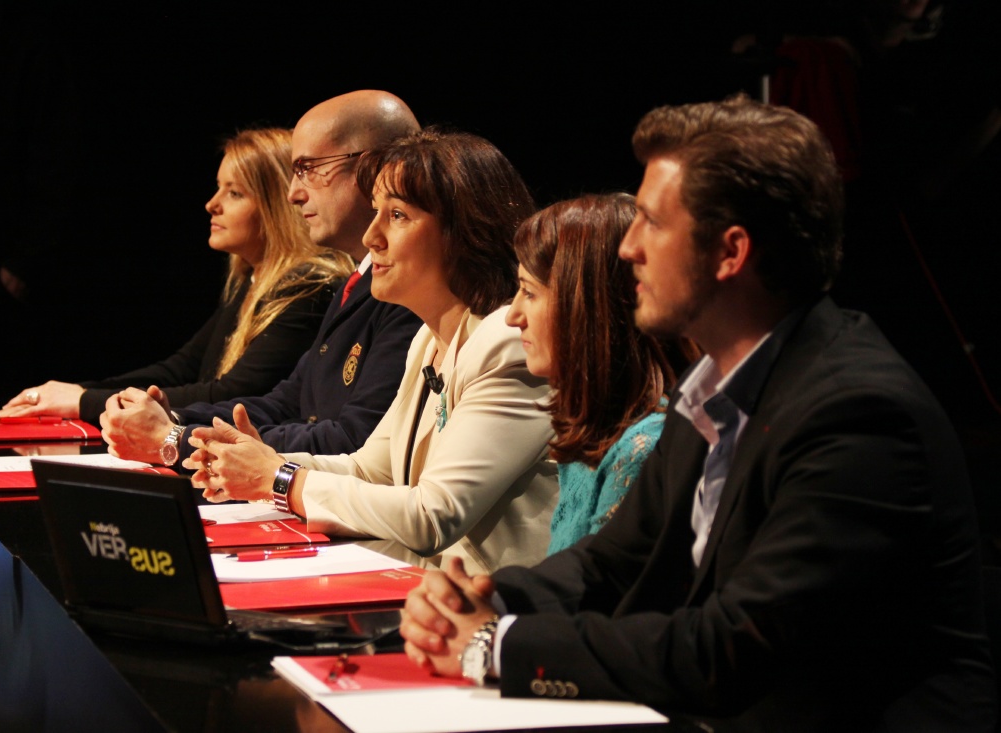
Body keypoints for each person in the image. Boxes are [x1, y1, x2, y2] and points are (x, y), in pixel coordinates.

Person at [399, 96, 997, 731]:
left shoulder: (857, 415)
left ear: (730, 252)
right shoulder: (712, 387)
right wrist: (485, 599)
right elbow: (609, 563)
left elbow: (730, 647)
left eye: (653, 223)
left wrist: (497, 644)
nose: (629, 248)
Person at [183, 129, 559, 574]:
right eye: (375, 211)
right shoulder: (428, 341)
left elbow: (432, 515)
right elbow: (369, 470)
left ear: (463, 231)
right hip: (425, 588)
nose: (371, 236)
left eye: (397, 215)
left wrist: (278, 480)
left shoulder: (507, 342)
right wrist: (258, 462)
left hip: (496, 603)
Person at [98, 91, 422, 466]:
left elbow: (351, 440)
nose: (293, 194)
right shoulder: (355, 284)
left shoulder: (409, 290)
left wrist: (176, 438)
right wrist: (174, 418)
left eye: (308, 168)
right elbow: (285, 402)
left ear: (369, 168)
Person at [0, 128, 352, 427]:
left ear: (278, 206)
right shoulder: (252, 279)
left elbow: (233, 393)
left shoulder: (307, 286)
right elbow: (182, 368)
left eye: (235, 193)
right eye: (219, 187)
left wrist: (84, 401)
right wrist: (75, 392)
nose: (212, 204)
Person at [506, 194, 675, 554]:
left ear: (587, 306)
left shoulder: (640, 449)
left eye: (529, 293)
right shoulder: (591, 428)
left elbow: (598, 584)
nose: (512, 316)